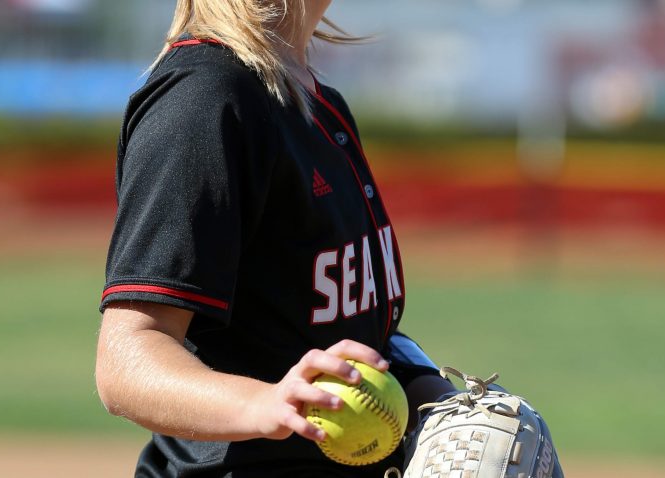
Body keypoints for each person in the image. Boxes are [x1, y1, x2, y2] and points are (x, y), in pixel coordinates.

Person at [94, 1, 455, 477]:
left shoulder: (313, 99)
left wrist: (438, 396)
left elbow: (358, 331)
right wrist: (264, 403)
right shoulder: (204, 99)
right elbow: (127, 361)